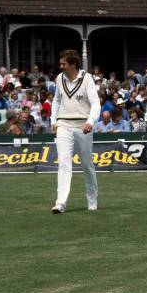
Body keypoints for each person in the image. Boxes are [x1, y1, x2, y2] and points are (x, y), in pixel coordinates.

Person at [50, 50, 101, 214]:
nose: (61, 66)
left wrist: (90, 121)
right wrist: (53, 120)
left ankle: (92, 200)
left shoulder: (87, 79)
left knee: (87, 164)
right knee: (64, 163)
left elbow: (95, 103)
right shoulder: (59, 79)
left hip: (83, 126)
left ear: (73, 64)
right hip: (64, 124)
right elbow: (56, 100)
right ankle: (60, 203)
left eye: (64, 63)